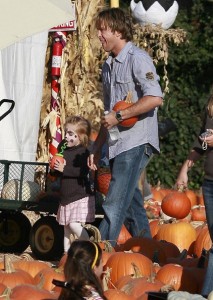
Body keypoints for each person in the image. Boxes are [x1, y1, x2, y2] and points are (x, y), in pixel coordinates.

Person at [87, 8, 163, 246]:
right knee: (130, 202)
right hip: (116, 142)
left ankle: (99, 252)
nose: (99, 35)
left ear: (118, 30)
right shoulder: (108, 65)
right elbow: (109, 114)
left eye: (103, 29)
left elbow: (155, 98)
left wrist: (120, 116)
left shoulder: (137, 59)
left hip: (137, 140)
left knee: (115, 200)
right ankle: (150, 254)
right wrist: (97, 147)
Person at [176, 92, 213, 296]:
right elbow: (200, 145)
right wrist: (184, 170)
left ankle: (207, 293)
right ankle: (207, 294)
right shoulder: (210, 109)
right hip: (209, 183)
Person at [52, 115, 95, 253]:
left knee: (74, 225)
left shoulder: (83, 152)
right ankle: (66, 254)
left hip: (79, 195)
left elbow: (82, 171)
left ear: (81, 137)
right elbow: (60, 173)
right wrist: (55, 168)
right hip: (66, 196)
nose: (66, 136)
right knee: (66, 228)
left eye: (71, 134)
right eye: (66, 132)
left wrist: (64, 169)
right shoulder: (63, 149)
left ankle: (90, 247)